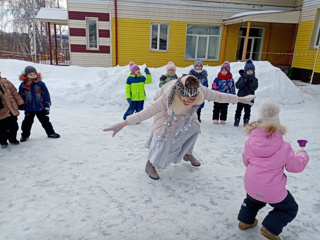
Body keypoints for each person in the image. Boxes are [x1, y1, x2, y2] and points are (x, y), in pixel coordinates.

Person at [104, 75, 255, 180]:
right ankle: (150, 164)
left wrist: (241, 99)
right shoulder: (167, 98)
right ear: (179, 93)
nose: (191, 99)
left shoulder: (199, 89)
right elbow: (146, 112)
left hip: (186, 113)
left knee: (194, 128)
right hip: (168, 111)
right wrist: (123, 123)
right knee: (164, 136)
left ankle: (187, 153)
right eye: (187, 98)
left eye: (194, 98)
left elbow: (220, 96)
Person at [237, 100, 309, 240]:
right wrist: (302, 154)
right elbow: (295, 167)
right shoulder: (284, 147)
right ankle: (270, 228)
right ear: (277, 127)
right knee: (289, 208)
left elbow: (246, 161)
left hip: (251, 184)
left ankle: (245, 221)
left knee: (253, 200)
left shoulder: (250, 143)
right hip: (272, 189)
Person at [18, 66, 60, 142]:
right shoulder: (23, 85)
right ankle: (25, 135)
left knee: (45, 121)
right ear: (26, 75)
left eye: (34, 74)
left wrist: (47, 105)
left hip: (40, 107)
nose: (33, 76)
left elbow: (46, 95)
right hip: (29, 108)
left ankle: (50, 133)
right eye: (30, 74)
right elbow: (20, 95)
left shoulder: (40, 84)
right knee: (27, 123)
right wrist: (20, 104)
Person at [0, 73, 25, 148]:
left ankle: (12, 139)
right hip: (1, 111)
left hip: (12, 109)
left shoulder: (6, 81)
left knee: (14, 126)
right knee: (2, 127)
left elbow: (15, 93)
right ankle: (3, 141)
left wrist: (20, 103)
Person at [234, 60, 258, 127]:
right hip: (241, 98)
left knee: (247, 111)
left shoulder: (254, 80)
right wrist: (244, 81)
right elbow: (237, 86)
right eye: (248, 71)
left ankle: (246, 121)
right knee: (238, 110)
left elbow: (253, 88)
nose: (250, 72)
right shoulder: (241, 78)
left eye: (251, 71)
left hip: (249, 99)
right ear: (245, 71)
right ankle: (237, 120)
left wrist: (250, 81)